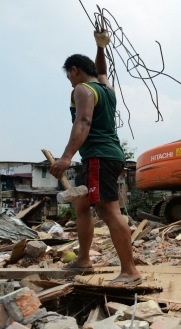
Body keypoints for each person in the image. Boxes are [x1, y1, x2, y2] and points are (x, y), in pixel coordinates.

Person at [49, 30, 141, 286]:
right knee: (81, 205)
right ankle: (83, 259)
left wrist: (66, 157)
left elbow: (84, 121)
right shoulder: (105, 88)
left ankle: (129, 271)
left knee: (109, 211)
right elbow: (103, 71)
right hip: (108, 155)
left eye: (69, 75)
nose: (69, 81)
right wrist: (101, 47)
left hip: (99, 157)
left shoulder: (82, 90)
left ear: (75, 70)